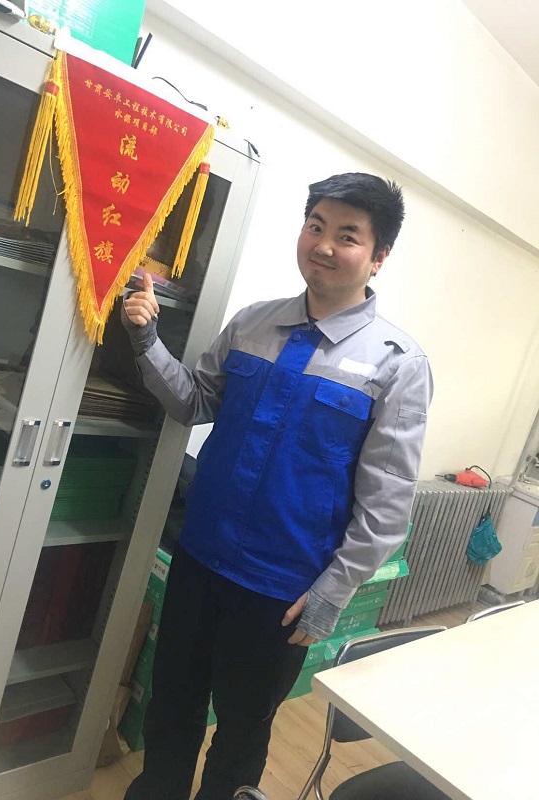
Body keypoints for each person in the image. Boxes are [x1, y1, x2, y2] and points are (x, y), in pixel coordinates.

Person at [121, 172, 432, 800]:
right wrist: (146, 339)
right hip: (200, 558)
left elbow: (386, 504)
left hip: (281, 590)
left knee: (241, 731)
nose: (324, 244)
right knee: (172, 704)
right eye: (316, 226)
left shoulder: (398, 364)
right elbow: (194, 401)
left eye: (347, 235)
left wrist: (333, 592)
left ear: (378, 257)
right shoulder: (252, 324)